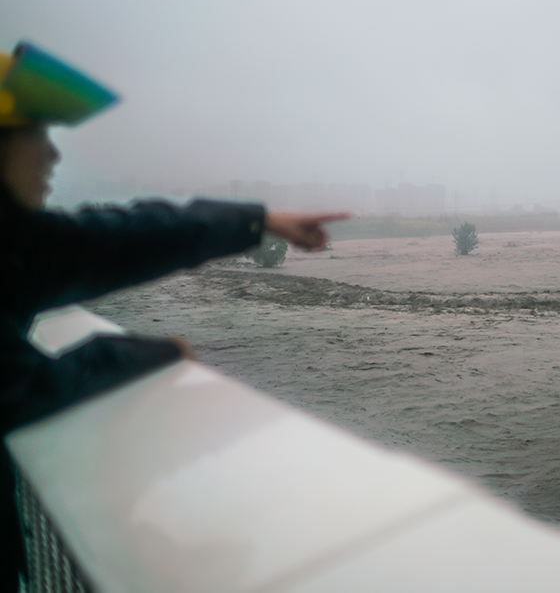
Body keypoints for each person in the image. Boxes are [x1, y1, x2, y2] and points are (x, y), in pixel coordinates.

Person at [0, 41, 349, 591]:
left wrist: (261, 220)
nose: (52, 157)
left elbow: (119, 237)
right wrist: (147, 354)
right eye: (37, 135)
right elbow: (24, 390)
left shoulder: (11, 243)